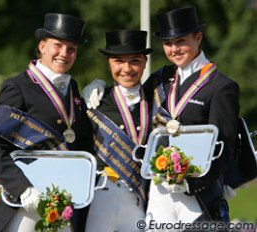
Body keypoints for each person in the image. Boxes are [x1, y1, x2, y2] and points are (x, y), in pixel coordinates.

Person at [82, 5, 240, 230]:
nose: (174, 49)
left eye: (181, 41)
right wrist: (99, 85)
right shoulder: (163, 80)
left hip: (196, 196)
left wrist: (193, 183)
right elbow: (129, 96)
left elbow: (223, 147)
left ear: (198, 37)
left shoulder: (222, 87)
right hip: (157, 193)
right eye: (168, 43)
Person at [0, 13, 93, 232]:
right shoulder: (18, 86)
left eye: (72, 49)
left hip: (63, 203)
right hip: (26, 204)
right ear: (42, 46)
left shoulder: (72, 89)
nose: (64, 53)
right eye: (58, 45)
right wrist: (23, 189)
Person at [85, 30, 163, 232]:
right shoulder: (96, 101)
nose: (127, 69)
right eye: (118, 61)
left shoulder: (156, 100)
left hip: (138, 198)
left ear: (145, 62)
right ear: (109, 63)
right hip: (100, 195)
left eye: (135, 61)